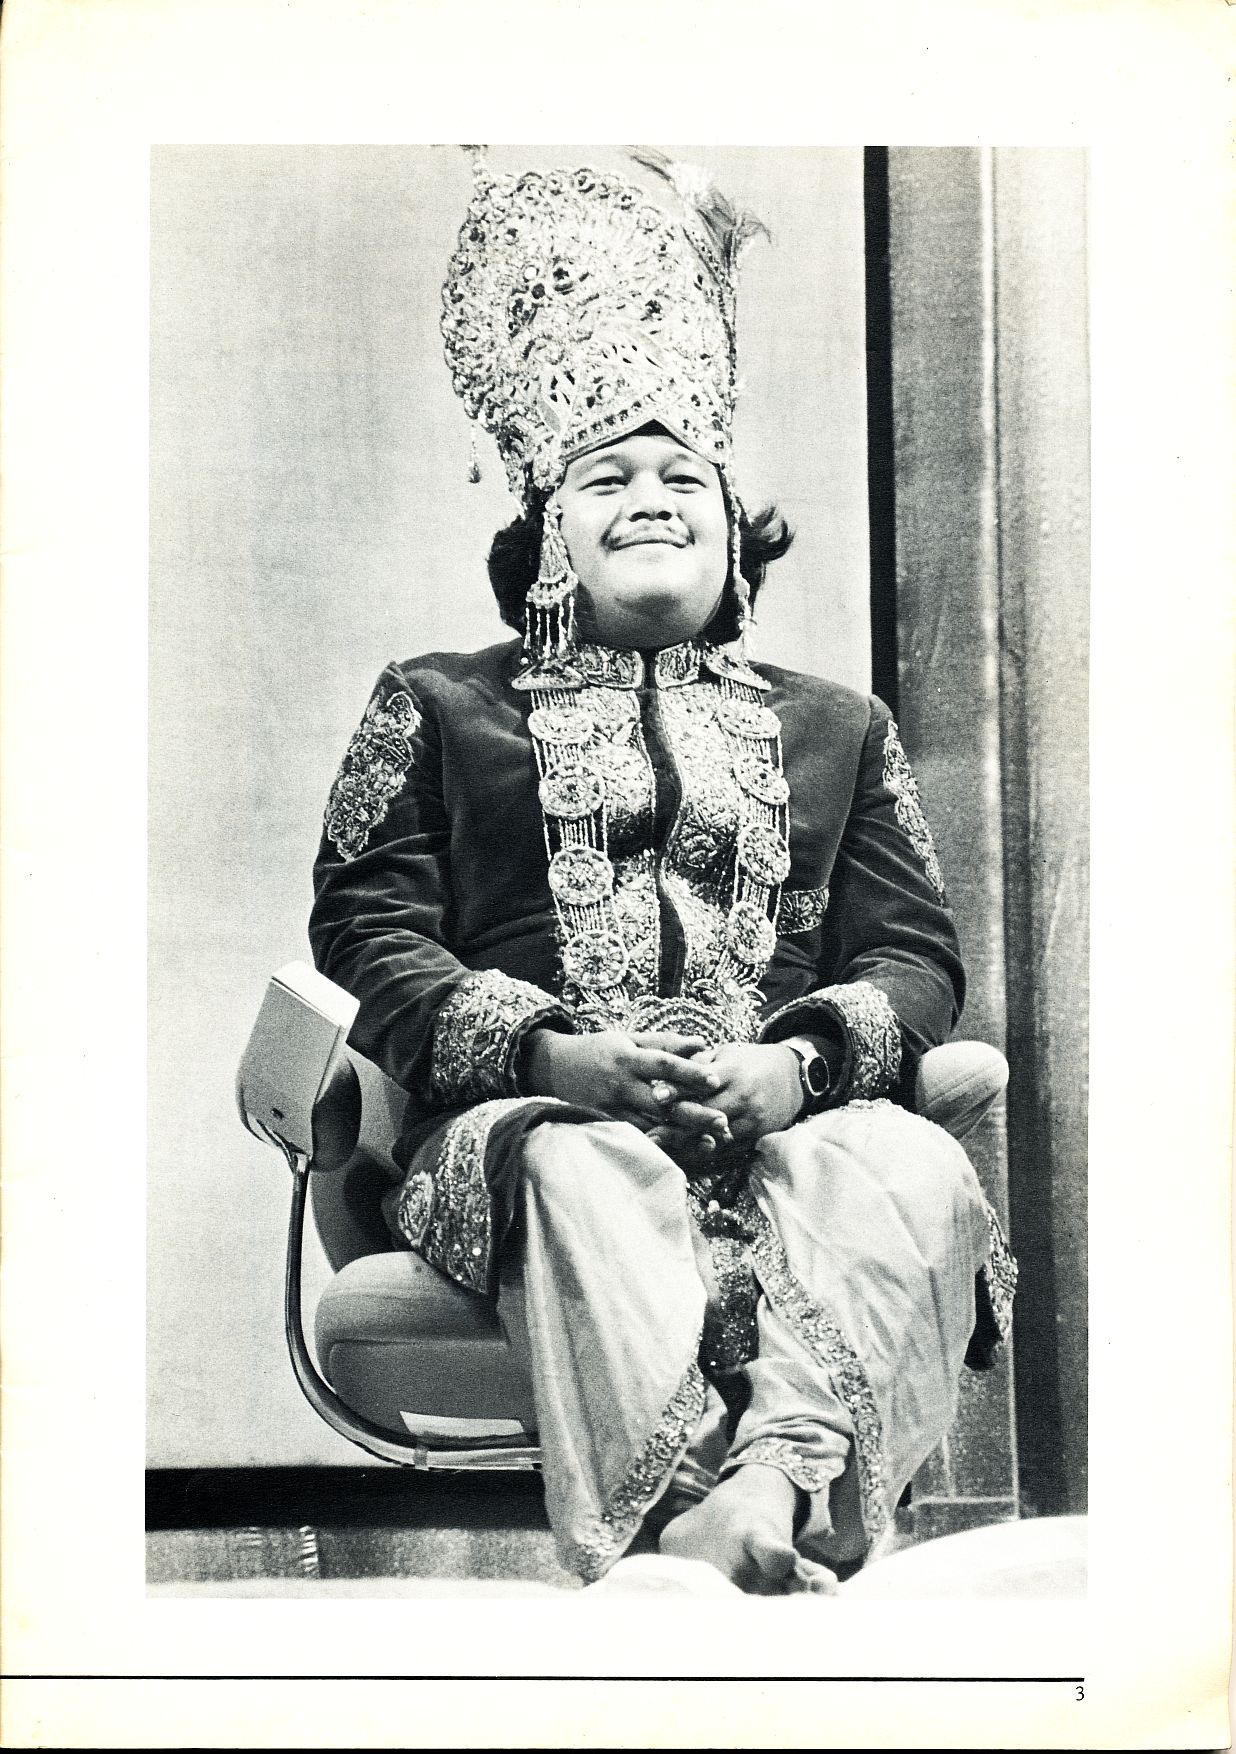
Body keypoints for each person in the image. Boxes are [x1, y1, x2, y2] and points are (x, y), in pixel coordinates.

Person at [309, 148, 1015, 1594]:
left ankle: (776, 1478)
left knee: (915, 1159)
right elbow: (368, 930)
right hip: (525, 1132)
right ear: (547, 531)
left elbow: (914, 958)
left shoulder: (843, 726)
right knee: (592, 1165)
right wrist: (553, 1057)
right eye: (607, 476)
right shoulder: (434, 703)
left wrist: (798, 1070)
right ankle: (674, 1514)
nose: (651, 496)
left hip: (782, 1128)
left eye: (684, 474)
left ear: (734, 528)